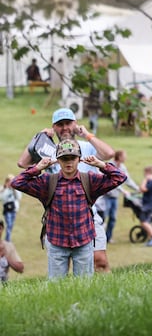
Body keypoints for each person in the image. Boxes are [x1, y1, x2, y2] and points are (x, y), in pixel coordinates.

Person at [17, 107, 116, 271]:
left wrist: (87, 134)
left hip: (87, 214)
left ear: (75, 124)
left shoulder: (86, 145)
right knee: (61, 265)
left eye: (68, 123)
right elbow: (22, 163)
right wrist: (38, 137)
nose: (64, 128)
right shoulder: (47, 149)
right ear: (53, 127)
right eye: (59, 124)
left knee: (100, 260)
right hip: (58, 216)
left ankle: (97, 293)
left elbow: (109, 154)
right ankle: (67, 294)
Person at [11, 139, 125, 279]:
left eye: (72, 158)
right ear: (58, 160)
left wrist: (100, 164)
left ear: (79, 159)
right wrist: (38, 168)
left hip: (83, 241)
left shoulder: (90, 180)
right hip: (57, 243)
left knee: (84, 286)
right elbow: (16, 182)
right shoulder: (47, 181)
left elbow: (119, 177)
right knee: (56, 288)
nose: (68, 162)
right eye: (64, 158)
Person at [97, 150, 139, 244]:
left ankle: (108, 237)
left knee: (113, 218)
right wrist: (123, 191)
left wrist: (137, 188)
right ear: (119, 157)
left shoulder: (122, 167)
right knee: (103, 218)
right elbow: (113, 181)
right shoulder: (110, 165)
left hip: (115, 197)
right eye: (124, 155)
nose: (126, 157)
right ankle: (100, 239)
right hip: (107, 196)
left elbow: (127, 179)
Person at [137, 166, 152, 246]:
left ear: (147, 172)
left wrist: (145, 179)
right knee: (147, 221)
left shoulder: (151, 181)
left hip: (149, 204)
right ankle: (151, 239)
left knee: (143, 221)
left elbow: (142, 189)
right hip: (149, 203)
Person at [2, 175, 21, 242]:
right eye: (10, 181)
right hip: (7, 210)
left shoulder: (17, 189)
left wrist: (14, 190)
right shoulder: (3, 189)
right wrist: (7, 189)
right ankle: (8, 240)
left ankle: (7, 239)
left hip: (14, 209)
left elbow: (18, 198)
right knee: (9, 224)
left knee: (11, 225)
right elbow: (3, 198)